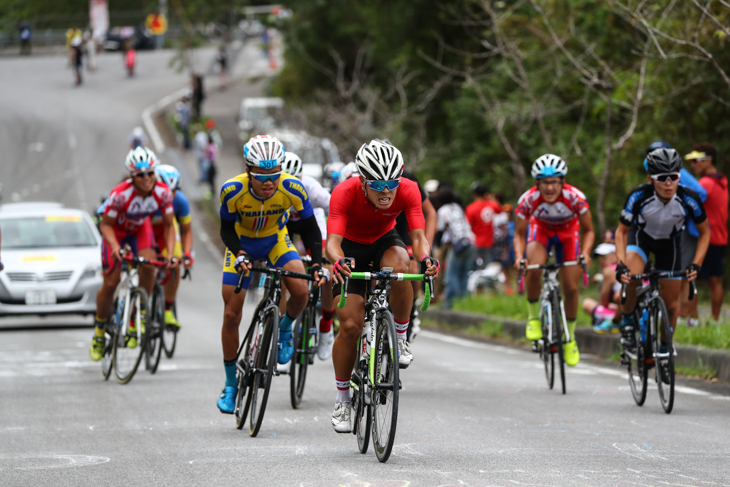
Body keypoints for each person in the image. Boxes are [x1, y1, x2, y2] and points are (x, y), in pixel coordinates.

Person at [326, 139, 438, 433]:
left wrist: (426, 258)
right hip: (350, 248)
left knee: (402, 265)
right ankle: (342, 400)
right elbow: (332, 244)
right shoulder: (344, 192)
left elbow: (417, 237)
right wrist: (339, 262)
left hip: (384, 242)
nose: (387, 190)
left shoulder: (408, 189)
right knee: (350, 326)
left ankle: (400, 337)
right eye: (378, 184)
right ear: (362, 180)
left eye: (392, 182)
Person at [216, 135, 326, 414]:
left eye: (275, 174)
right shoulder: (232, 190)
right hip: (242, 245)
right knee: (231, 313)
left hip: (276, 240)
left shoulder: (292, 187)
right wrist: (239, 253)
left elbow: (312, 229)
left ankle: (286, 328)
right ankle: (230, 385)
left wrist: (315, 265)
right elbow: (226, 229)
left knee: (302, 292)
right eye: (262, 175)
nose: (269, 182)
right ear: (248, 169)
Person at [615, 148, 709, 361]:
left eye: (674, 177)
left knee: (671, 305)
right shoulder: (638, 196)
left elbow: (705, 233)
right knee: (631, 277)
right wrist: (621, 265)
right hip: (641, 239)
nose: (669, 183)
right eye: (662, 178)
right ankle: (628, 321)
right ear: (650, 179)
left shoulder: (689, 198)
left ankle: (666, 346)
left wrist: (696, 264)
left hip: (670, 244)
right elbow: (621, 232)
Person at [89, 147, 177, 361]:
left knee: (148, 265)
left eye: (150, 173)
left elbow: (168, 226)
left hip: (139, 228)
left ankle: (137, 315)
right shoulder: (121, 194)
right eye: (141, 175)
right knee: (111, 283)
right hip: (116, 232)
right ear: (132, 175)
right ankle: (99, 332)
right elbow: (106, 225)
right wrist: (115, 247)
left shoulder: (163, 192)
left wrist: (170, 255)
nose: (147, 178)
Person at [513, 154, 595, 367]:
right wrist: (519, 257)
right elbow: (520, 234)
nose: (549, 188)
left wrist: (585, 253)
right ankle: (533, 318)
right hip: (540, 232)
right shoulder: (528, 199)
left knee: (570, 287)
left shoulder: (575, 198)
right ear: (536, 183)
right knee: (534, 268)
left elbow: (589, 230)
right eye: (545, 183)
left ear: (562, 182)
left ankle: (570, 338)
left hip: (569, 234)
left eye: (554, 182)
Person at [281, 152, 336, 359]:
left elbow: (335, 211)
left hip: (312, 225)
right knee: (282, 273)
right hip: (285, 226)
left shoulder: (312, 188)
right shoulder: (272, 189)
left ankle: (326, 325)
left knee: (328, 268)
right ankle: (279, 331)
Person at [685, 143, 728, 324]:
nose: (693, 165)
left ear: (708, 160)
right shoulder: (722, 181)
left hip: (706, 238)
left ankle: (693, 320)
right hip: (721, 237)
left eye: (696, 160)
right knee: (714, 279)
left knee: (691, 277)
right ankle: (715, 320)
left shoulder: (705, 183)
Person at [394, 167, 437, 338]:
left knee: (412, 267)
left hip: (403, 224)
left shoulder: (409, 180)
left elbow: (430, 213)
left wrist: (427, 248)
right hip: (378, 225)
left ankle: (410, 310)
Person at [152, 165, 194, 330]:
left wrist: (187, 254)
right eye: (165, 191)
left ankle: (168, 309)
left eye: (174, 191)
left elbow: (186, 231)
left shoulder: (181, 201)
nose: (169, 196)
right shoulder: (147, 197)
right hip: (147, 229)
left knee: (175, 263)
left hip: (167, 230)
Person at [437, 187, 475, 309]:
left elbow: (440, 230)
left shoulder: (442, 210)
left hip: (458, 244)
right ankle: (464, 301)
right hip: (470, 241)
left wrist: (438, 245)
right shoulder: (457, 207)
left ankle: (451, 302)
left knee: (451, 274)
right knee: (464, 273)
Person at [586, 242, 622, 332]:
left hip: (622, 313)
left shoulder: (608, 271)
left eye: (604, 256)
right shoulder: (629, 266)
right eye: (599, 257)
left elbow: (603, 303)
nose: (601, 260)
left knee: (587, 303)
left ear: (615, 255)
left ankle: (613, 322)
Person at [466, 183, 503, 268]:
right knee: (488, 267)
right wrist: (490, 198)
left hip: (475, 242)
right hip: (489, 241)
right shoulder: (493, 205)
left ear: (474, 194)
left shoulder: (470, 208)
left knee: (476, 268)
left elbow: (468, 226)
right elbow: (501, 212)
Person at [204, 133, 219, 200]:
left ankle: (212, 192)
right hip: (212, 164)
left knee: (211, 179)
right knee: (212, 180)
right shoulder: (214, 146)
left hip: (211, 164)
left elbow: (210, 155)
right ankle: (213, 192)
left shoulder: (210, 147)